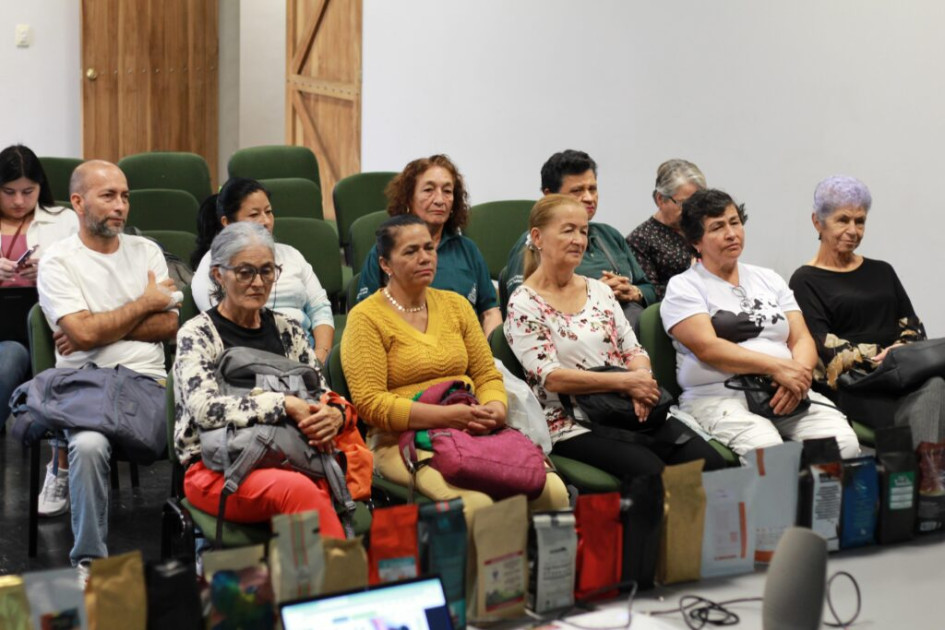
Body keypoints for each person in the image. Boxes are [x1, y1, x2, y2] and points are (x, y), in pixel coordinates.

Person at [342, 215, 568, 523]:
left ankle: (538, 571)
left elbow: (486, 373)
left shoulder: (456, 305)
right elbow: (370, 404)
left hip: (471, 426)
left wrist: (495, 409)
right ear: (385, 264)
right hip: (401, 440)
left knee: (552, 490)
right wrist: (448, 417)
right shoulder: (365, 318)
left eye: (428, 248)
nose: (424, 258)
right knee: (477, 506)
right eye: (410, 252)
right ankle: (477, 573)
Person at [505, 195, 726, 478]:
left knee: (710, 463)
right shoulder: (524, 302)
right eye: (568, 230)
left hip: (625, 406)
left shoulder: (599, 291)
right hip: (572, 422)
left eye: (583, 231)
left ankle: (698, 524)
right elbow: (552, 377)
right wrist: (627, 382)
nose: (579, 240)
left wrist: (642, 386)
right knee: (650, 473)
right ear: (537, 236)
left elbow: (633, 350)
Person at [175, 222, 370, 540]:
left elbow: (321, 391)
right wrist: (284, 404)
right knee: (299, 492)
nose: (258, 282)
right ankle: (340, 584)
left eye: (267, 271)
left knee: (321, 482)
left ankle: (306, 583)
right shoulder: (198, 334)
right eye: (245, 272)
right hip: (217, 466)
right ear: (218, 275)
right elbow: (204, 409)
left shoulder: (288, 329)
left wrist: (335, 415)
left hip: (291, 455)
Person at [37, 160, 179, 576]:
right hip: (84, 385)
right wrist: (142, 307)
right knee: (87, 445)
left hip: (147, 382)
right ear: (78, 203)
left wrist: (97, 326)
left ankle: (195, 550)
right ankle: (90, 564)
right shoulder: (58, 260)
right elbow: (80, 335)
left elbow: (170, 324)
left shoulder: (147, 251)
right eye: (108, 196)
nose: (121, 206)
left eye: (125, 196)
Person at [662, 188, 859, 458]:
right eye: (718, 227)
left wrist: (797, 379)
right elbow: (708, 348)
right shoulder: (684, 287)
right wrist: (778, 368)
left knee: (843, 446)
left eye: (735, 222)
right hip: (719, 396)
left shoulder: (769, 278)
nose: (731, 233)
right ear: (696, 241)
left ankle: (817, 500)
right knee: (770, 456)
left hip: (783, 389)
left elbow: (801, 338)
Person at [789, 175, 945, 446]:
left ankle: (925, 477)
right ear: (818, 222)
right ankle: (928, 480)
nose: (853, 230)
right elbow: (825, 350)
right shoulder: (805, 280)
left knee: (934, 387)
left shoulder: (882, 270)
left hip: (902, 376)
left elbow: (913, 328)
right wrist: (886, 357)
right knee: (932, 398)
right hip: (854, 385)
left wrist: (899, 352)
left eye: (860, 221)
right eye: (843, 220)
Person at [1, 145, 80, 518]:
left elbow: (83, 267)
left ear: (40, 188)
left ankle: (60, 461)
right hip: (4, 322)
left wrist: (46, 267)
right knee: (10, 357)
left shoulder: (62, 219)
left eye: (27, 191)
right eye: (8, 191)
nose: (19, 201)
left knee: (53, 361)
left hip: (46, 316)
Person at [354, 155, 501, 336]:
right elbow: (364, 315)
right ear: (409, 199)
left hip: (465, 351)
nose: (440, 200)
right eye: (428, 190)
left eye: (447, 191)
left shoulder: (467, 250)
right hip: (404, 351)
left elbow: (490, 312)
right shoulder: (386, 251)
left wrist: (486, 352)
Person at [190, 177, 334, 363]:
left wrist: (320, 356)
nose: (265, 221)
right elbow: (223, 326)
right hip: (245, 361)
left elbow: (319, 308)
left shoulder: (292, 255)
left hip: (303, 354)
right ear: (227, 222)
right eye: (254, 214)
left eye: (268, 212)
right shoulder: (214, 265)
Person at [505, 150, 655, 325]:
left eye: (593, 189)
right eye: (577, 191)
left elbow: (649, 289)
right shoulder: (535, 243)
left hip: (628, 323)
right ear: (549, 195)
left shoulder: (609, 235)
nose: (589, 198)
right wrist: (593, 294)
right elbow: (524, 308)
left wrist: (633, 291)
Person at [627, 159, 705, 300]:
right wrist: (690, 279)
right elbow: (648, 293)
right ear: (660, 199)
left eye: (698, 202)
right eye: (684, 204)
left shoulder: (704, 228)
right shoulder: (640, 239)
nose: (692, 210)